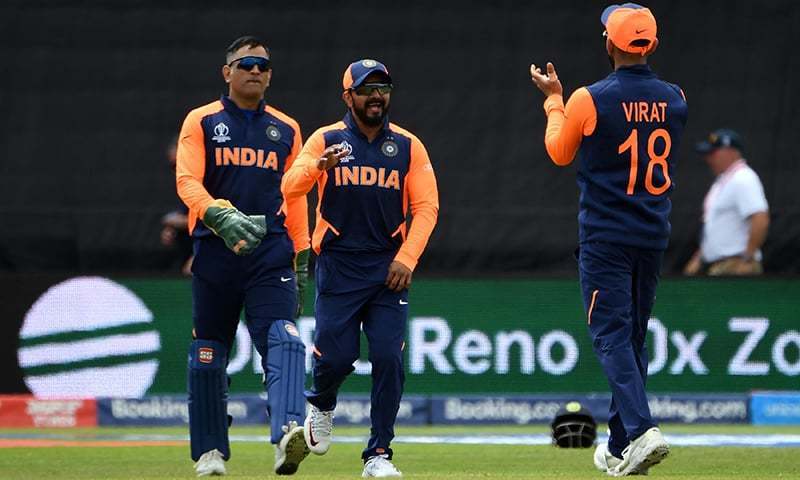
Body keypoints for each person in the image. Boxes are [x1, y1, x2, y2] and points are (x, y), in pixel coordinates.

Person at [530, 3, 687, 476]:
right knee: (633, 337)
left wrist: (553, 100)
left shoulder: (588, 98)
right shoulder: (676, 97)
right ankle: (621, 445)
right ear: (651, 45)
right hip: (652, 234)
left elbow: (559, 152)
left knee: (611, 336)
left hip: (606, 237)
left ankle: (641, 430)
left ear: (609, 43)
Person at [281, 59, 439, 478]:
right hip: (338, 265)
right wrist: (318, 167)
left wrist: (407, 258)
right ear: (347, 96)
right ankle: (322, 404)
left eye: (383, 89)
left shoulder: (408, 146)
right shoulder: (325, 139)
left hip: (388, 269)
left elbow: (426, 208)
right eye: (367, 90)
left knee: (389, 357)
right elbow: (289, 186)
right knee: (337, 356)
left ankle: (379, 454)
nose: (376, 97)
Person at [176, 35, 311, 477]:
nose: (256, 71)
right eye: (246, 63)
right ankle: (210, 451)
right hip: (216, 253)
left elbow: (295, 194)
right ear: (227, 72)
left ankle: (288, 431)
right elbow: (187, 182)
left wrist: (303, 252)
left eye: (263, 66)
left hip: (269, 253)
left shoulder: (287, 128)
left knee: (287, 339)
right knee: (207, 355)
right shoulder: (202, 120)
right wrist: (217, 214)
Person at [683, 129, 769, 276]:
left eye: (713, 153)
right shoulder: (722, 182)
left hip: (735, 265)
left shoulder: (744, 178)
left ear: (731, 152)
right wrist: (699, 258)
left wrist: (746, 259)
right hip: (720, 266)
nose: (708, 159)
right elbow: (715, 226)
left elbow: (760, 219)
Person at [160, 135, 193, 275]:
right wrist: (172, 227)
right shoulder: (186, 186)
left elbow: (210, 219)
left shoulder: (212, 181)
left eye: (180, 164)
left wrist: (170, 220)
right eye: (173, 166)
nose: (177, 170)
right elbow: (185, 215)